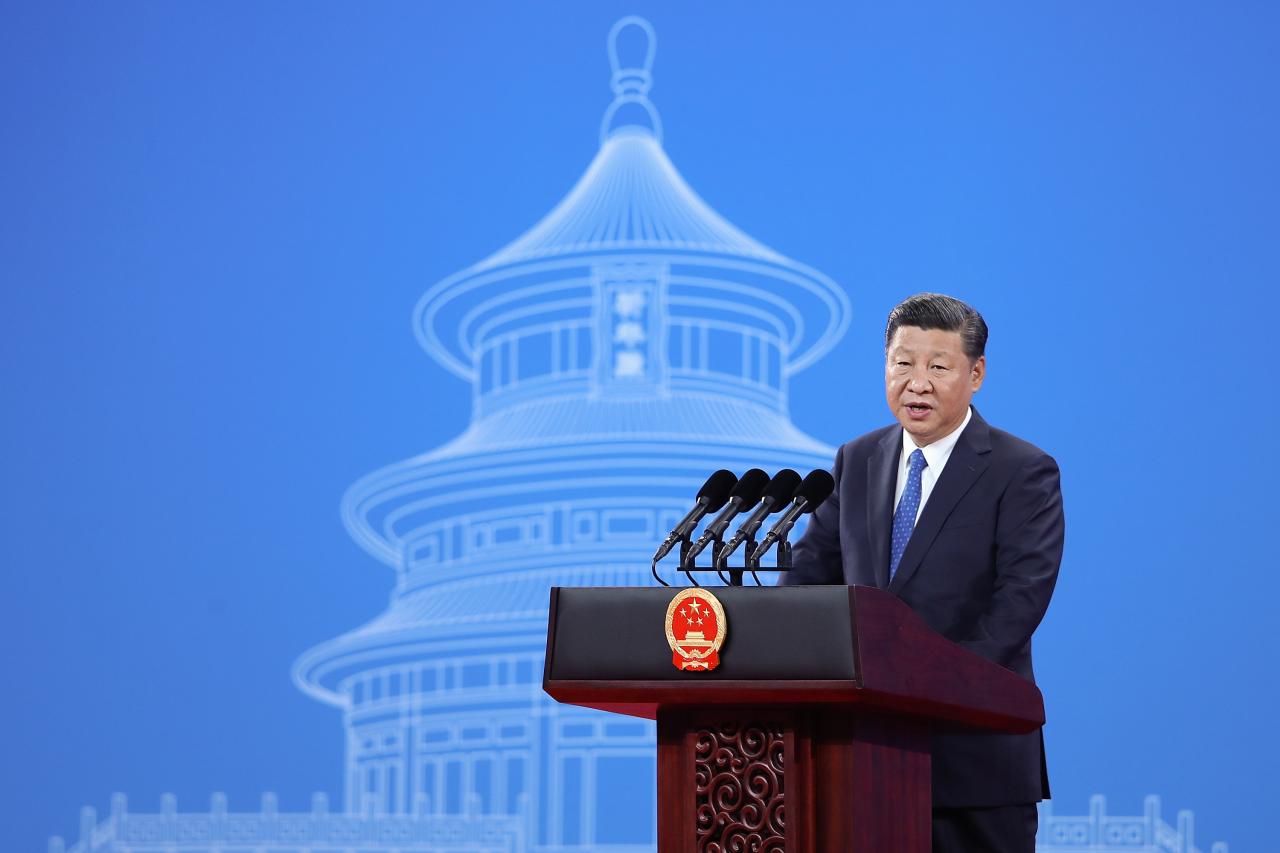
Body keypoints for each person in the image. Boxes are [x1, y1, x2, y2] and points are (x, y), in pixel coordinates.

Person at [784, 293, 1064, 853]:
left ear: (976, 373)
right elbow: (807, 581)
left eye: (938, 366)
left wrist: (925, 691)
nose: (917, 383)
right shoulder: (857, 460)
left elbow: (1018, 605)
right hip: (862, 758)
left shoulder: (1022, 470)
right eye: (902, 364)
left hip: (973, 758)